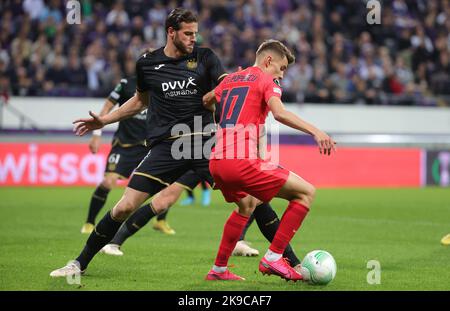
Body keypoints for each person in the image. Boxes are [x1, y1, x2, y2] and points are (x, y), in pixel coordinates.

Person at [50, 9, 300, 278]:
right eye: (188, 33)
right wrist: (105, 120)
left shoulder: (206, 58)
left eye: (195, 33)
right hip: (166, 147)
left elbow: (225, 89)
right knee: (123, 206)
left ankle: (293, 263)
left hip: (205, 144)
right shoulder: (147, 63)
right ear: (171, 32)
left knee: (255, 200)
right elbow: (139, 102)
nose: (194, 38)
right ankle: (78, 263)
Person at [204, 39, 336, 281]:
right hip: (241, 162)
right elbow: (280, 113)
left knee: (247, 206)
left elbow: (207, 100)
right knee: (306, 193)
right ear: (268, 61)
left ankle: (219, 269)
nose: (282, 76)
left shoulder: (231, 79)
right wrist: (316, 132)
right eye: (282, 68)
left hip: (217, 162)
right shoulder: (267, 81)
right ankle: (274, 257)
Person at [80, 69, 175, 236]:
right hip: (124, 144)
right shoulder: (126, 84)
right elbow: (107, 107)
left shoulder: (164, 86)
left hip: (149, 145)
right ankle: (89, 222)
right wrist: (96, 135)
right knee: (108, 182)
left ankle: (160, 221)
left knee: (167, 184)